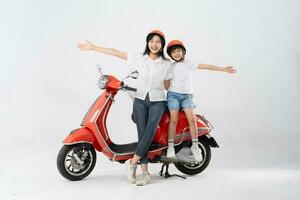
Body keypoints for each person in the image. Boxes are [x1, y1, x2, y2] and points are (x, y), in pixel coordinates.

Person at [78, 30, 172, 186]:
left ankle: (132, 162)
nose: (154, 44)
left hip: (158, 101)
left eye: (158, 42)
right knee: (142, 134)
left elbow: (168, 85)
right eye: (152, 41)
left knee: (150, 130)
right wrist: (94, 47)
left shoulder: (166, 63)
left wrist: (180, 96)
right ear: (147, 42)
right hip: (140, 99)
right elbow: (115, 52)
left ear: (162, 45)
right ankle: (145, 173)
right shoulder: (137, 57)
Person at [165, 40, 236, 162]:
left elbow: (207, 66)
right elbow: (166, 85)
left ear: (183, 52)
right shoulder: (170, 67)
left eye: (178, 50)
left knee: (192, 120)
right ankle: (170, 147)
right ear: (170, 55)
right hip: (173, 96)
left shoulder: (189, 64)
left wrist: (223, 69)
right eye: (173, 52)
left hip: (186, 96)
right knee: (174, 120)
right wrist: (166, 81)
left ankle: (195, 146)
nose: (176, 53)